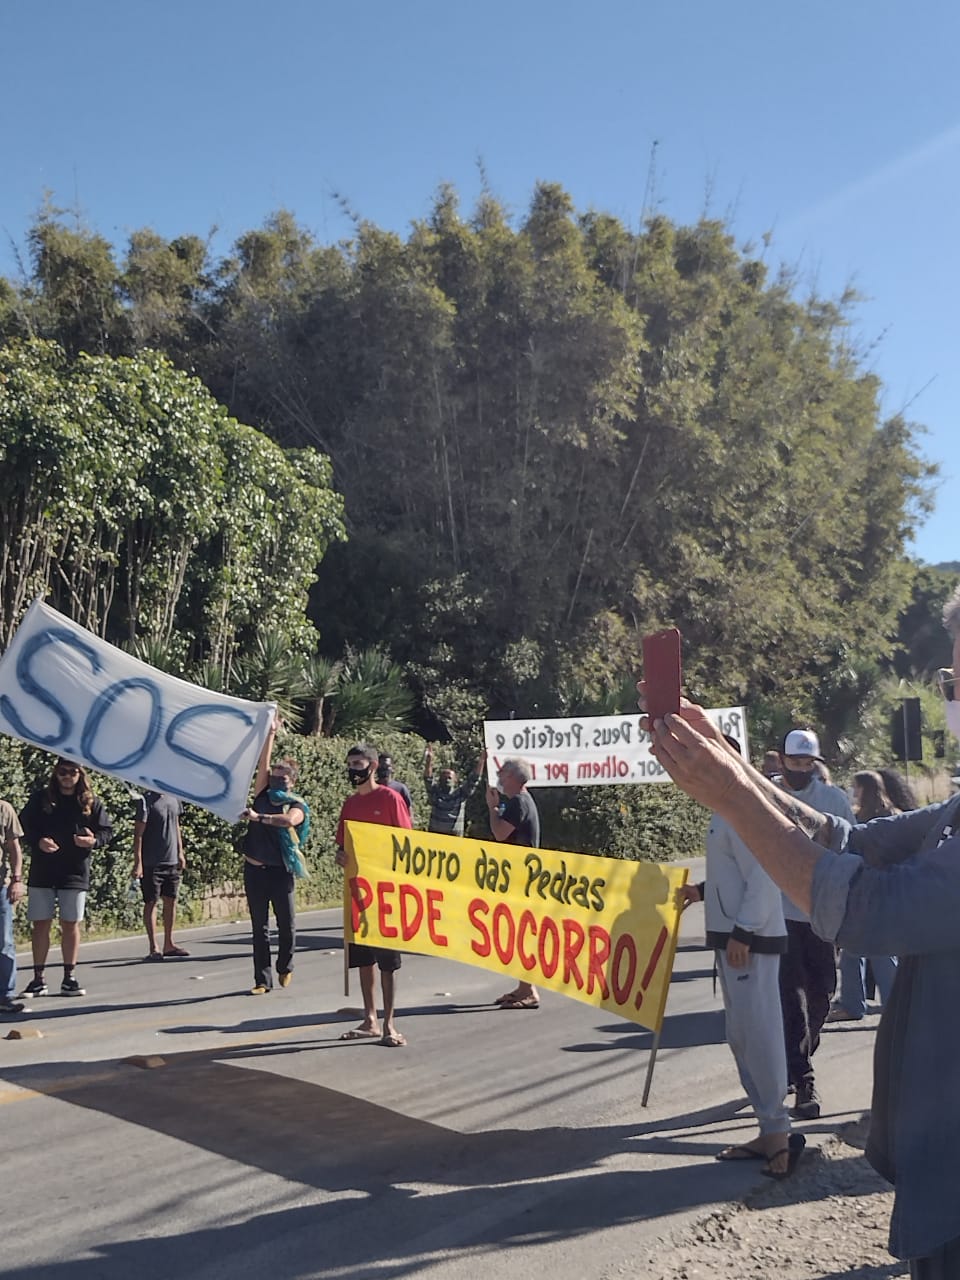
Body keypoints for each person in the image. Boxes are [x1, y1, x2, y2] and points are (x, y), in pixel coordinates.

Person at [644, 581, 960, 1277]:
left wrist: (726, 792)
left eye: (955, 680)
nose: (950, 697)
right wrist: (729, 767)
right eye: (950, 680)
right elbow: (848, 840)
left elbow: (867, 906)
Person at [681, 737, 798, 1179]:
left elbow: (766, 875)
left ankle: (778, 1137)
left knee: (760, 1035)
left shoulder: (743, 807)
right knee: (742, 1036)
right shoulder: (726, 807)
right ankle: (768, 1131)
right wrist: (702, 892)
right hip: (735, 938)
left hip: (748, 941)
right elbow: (736, 875)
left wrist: (744, 932)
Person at [774, 727, 855, 1119]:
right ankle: (804, 1082)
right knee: (792, 1000)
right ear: (781, 759)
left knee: (822, 994)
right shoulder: (766, 796)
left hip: (822, 913)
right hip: (778, 914)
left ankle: (799, 1054)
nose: (801, 770)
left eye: (808, 763)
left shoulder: (833, 800)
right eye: (794, 762)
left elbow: (854, 848)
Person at [335, 743, 413, 1046]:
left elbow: (406, 845)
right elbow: (342, 845)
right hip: (358, 893)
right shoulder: (350, 804)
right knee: (363, 960)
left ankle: (389, 1024)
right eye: (350, 763)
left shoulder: (391, 798)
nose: (354, 768)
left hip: (386, 893)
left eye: (359, 763)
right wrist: (340, 857)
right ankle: (370, 1019)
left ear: (373, 766)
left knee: (388, 962)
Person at [19, 758, 113, 997]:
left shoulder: (91, 802)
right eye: (63, 772)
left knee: (70, 924)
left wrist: (93, 841)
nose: (67, 776)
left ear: (80, 775)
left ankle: (69, 976)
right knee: (41, 923)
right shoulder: (41, 799)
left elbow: (106, 831)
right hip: (43, 870)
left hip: (75, 871)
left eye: (73, 772)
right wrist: (37, 841)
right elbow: (23, 826)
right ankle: (38, 978)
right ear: (56, 774)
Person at [240, 721, 308, 995]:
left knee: (286, 924)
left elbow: (289, 821)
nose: (277, 778)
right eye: (275, 774)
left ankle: (285, 966)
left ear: (292, 781)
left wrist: (260, 819)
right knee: (260, 927)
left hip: (281, 871)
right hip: (255, 869)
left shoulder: (296, 804)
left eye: (283, 776)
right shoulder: (262, 795)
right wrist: (270, 732)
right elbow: (262, 763)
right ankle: (261, 980)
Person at [828, 771, 899, 1022]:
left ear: (865, 789)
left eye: (856, 787)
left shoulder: (863, 819)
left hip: (868, 891)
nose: (853, 791)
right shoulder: (895, 815)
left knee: (872, 953)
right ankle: (859, 1002)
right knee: (859, 952)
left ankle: (869, 1004)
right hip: (885, 891)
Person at [486, 758, 542, 1010]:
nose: (498, 775)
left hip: (522, 878)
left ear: (513, 777)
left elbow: (499, 833)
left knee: (521, 934)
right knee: (517, 933)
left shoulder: (519, 802)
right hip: (519, 875)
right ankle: (523, 987)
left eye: (502, 772)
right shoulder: (520, 800)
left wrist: (492, 808)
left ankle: (529, 990)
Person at [133, 791, 189, 960]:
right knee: (151, 902)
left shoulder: (174, 798)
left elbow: (176, 825)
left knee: (170, 900)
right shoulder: (145, 801)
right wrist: (138, 862)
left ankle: (169, 944)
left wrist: (180, 852)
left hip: (171, 859)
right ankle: (153, 946)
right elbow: (138, 834)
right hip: (152, 862)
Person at [0, 797, 27, 1015]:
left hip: (1, 885)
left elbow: (14, 847)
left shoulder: (4, 809)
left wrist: (17, 880)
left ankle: (5, 995)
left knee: (4, 941)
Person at [424, 745, 485, 837]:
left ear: (455, 780)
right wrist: (429, 761)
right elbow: (428, 779)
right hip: (435, 838)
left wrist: (482, 761)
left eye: (449, 778)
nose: (447, 780)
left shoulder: (460, 794)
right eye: (444, 778)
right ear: (439, 780)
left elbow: (474, 779)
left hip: (454, 839)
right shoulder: (435, 794)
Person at [376, 754, 413, 820]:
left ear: (392, 768)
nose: (383, 768)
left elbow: (409, 812)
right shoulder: (371, 788)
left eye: (386, 766)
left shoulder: (401, 788)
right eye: (380, 765)